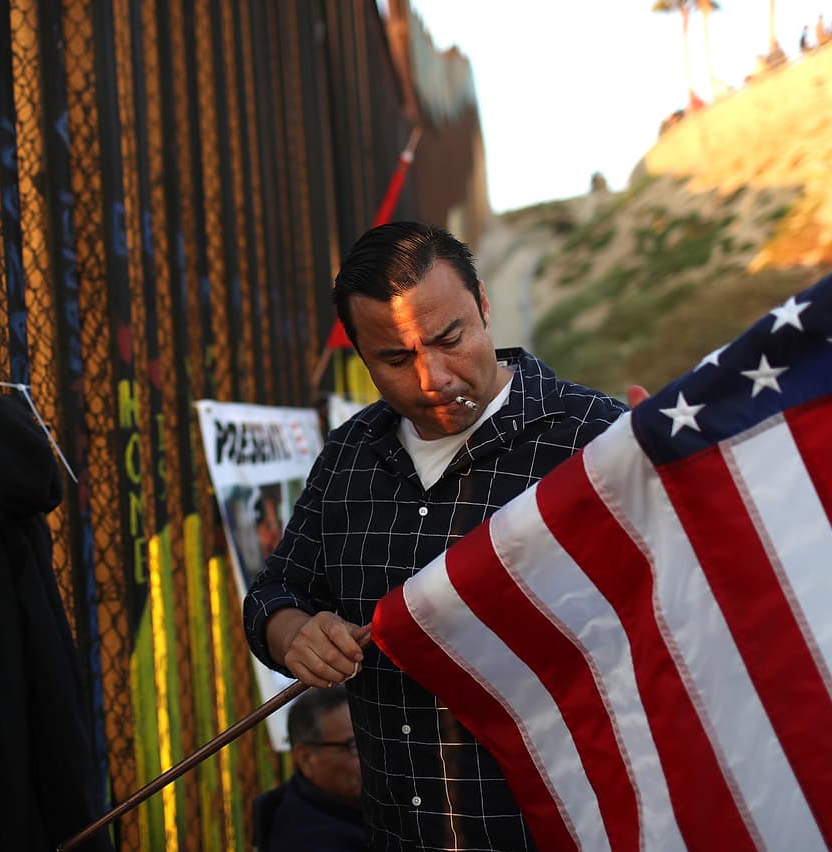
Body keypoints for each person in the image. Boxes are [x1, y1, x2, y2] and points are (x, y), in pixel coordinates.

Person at [243, 221, 627, 849]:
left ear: (482, 303)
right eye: (395, 359)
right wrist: (293, 634)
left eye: (449, 339)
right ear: (361, 355)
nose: (433, 379)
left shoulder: (594, 438)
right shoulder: (349, 457)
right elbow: (275, 591)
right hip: (399, 832)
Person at [252, 686, 365, 851]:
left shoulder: (349, 806)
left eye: (371, 742)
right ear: (306, 758)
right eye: (353, 746)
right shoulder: (307, 839)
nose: (369, 758)